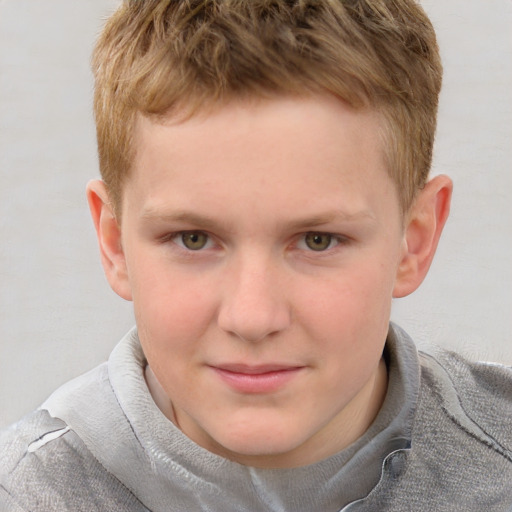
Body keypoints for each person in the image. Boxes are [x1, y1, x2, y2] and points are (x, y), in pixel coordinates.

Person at [1, 0, 511, 510]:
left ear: (414, 239)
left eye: (318, 240)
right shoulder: (31, 495)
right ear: (114, 243)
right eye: (193, 239)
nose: (252, 317)